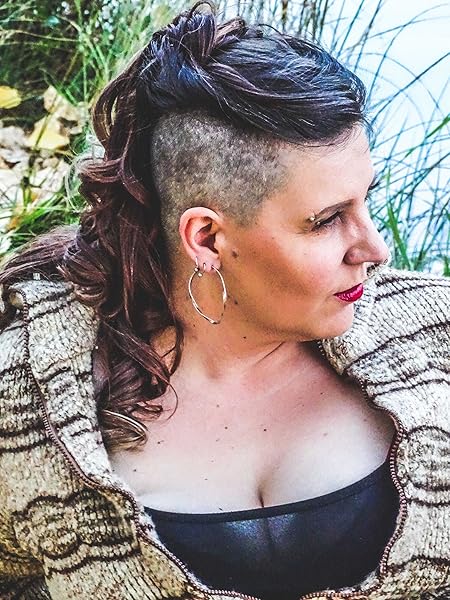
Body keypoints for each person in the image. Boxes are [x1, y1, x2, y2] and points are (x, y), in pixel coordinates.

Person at [0, 2, 449, 599]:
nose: (375, 248)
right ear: (207, 238)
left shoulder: (435, 340)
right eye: (326, 220)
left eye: (367, 199)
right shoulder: (28, 400)